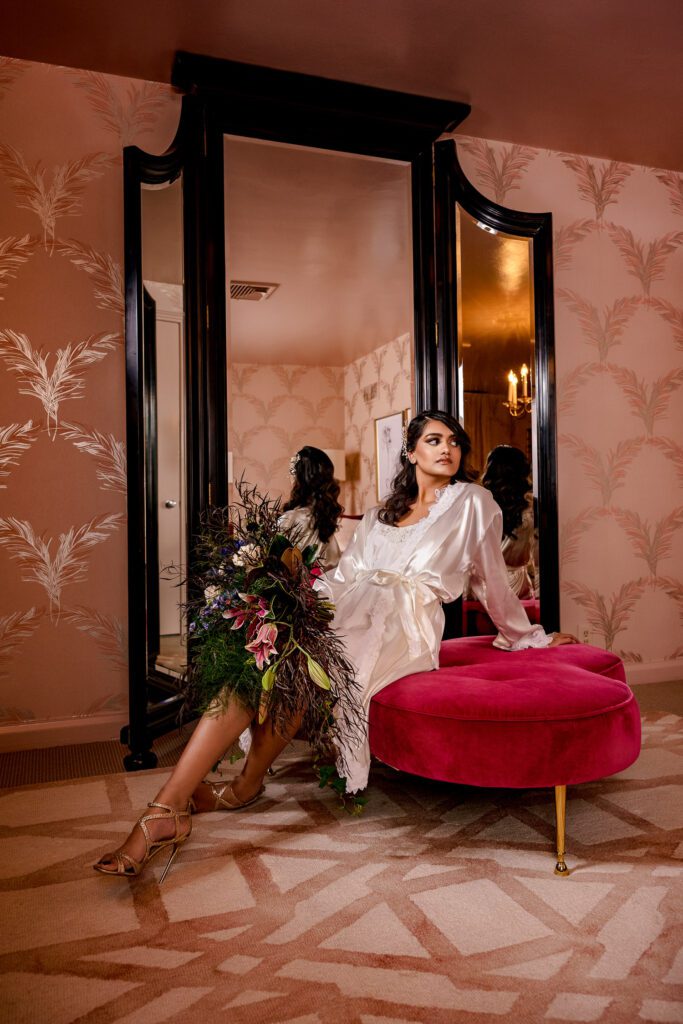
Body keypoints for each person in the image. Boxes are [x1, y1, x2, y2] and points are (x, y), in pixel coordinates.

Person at [94, 411, 576, 879]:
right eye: (433, 440)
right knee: (266, 665)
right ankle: (175, 804)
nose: (447, 448)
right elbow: (344, 577)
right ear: (409, 452)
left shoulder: (474, 503)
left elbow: (492, 579)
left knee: (298, 669)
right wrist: (290, 605)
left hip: (404, 623)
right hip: (349, 608)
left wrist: (527, 635)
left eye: (454, 442)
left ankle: (228, 791)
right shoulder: (380, 515)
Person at [480, 444, 538, 599]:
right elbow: (538, 555)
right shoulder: (532, 507)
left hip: (482, 585)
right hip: (516, 587)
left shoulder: (479, 504)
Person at [279, 445, 342, 571]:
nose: (290, 477)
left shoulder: (290, 518)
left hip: (290, 587)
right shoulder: (324, 519)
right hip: (323, 583)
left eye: (292, 472)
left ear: (300, 477)